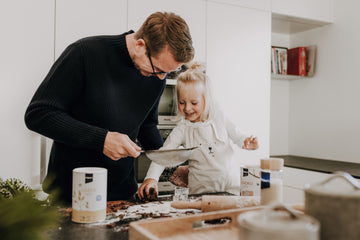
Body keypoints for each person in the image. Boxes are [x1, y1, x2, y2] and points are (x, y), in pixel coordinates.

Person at [24, 12, 194, 203]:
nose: (162, 79)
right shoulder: (84, 53)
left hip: (122, 196)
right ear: (140, 45)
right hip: (70, 195)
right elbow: (38, 114)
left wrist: (170, 168)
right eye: (160, 70)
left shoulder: (155, 78)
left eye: (170, 72)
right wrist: (102, 140)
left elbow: (147, 128)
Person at [138, 62, 258, 199]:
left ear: (206, 100)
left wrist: (248, 142)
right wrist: (151, 178)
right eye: (182, 102)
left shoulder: (220, 117)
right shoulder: (183, 128)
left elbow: (239, 137)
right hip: (200, 193)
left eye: (194, 103)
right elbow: (164, 155)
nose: (187, 108)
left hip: (231, 187)